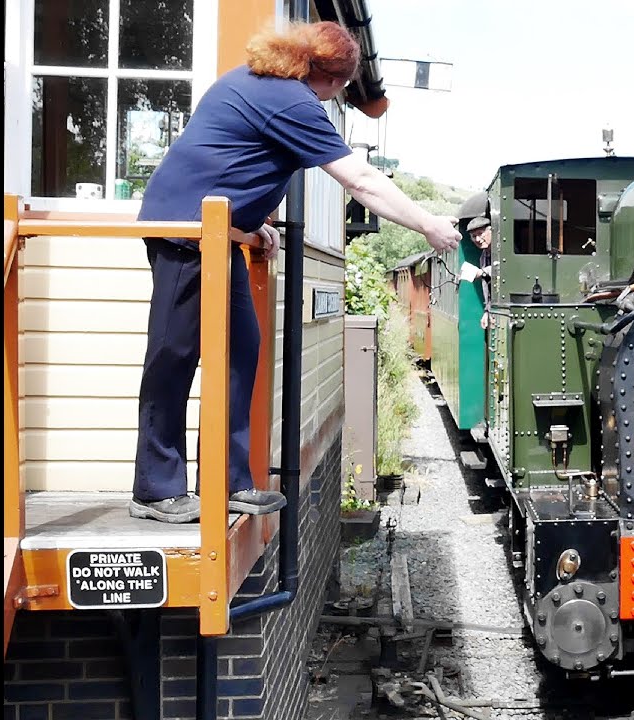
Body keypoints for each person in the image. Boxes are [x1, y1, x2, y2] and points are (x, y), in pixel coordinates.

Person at [130, 20, 461, 523]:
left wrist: (249, 223)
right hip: (185, 230)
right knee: (172, 358)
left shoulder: (259, 83)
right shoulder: (292, 101)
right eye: (343, 89)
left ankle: (227, 480)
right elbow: (363, 181)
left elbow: (232, 157)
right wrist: (428, 226)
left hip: (221, 232)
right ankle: (155, 489)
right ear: (331, 79)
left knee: (242, 350)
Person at [467, 215, 493, 329]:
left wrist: (482, 272)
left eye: (480, 233)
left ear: (491, 231)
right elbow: (487, 288)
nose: (477, 239)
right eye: (474, 236)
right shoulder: (483, 256)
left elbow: (506, 268)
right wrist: (487, 311)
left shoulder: (503, 251)